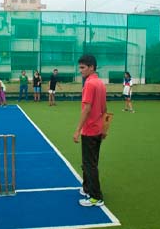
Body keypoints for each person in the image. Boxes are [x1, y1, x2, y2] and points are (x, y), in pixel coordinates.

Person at [73, 54, 107, 207]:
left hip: (90, 130)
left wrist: (77, 130)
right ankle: (87, 188)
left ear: (91, 67)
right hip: (98, 129)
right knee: (90, 162)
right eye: (79, 67)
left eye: (82, 67)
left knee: (89, 164)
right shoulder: (100, 83)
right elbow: (104, 108)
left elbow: (86, 108)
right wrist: (105, 129)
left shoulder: (89, 84)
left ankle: (96, 197)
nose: (80, 70)